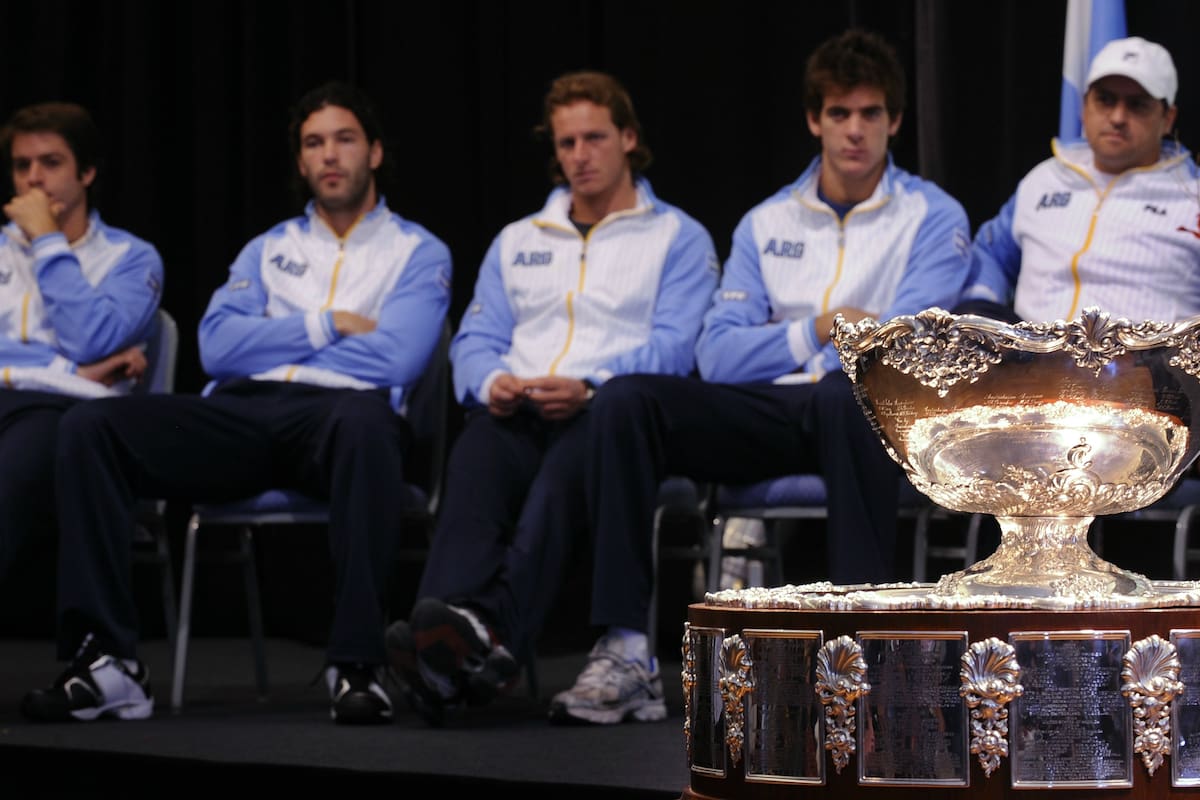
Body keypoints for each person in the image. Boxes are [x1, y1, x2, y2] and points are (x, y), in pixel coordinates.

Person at [556, 29, 973, 725]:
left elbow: (897, 350)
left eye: (870, 114)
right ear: (814, 120)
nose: (854, 131)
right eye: (838, 114)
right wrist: (816, 327)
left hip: (872, 417)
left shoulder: (934, 217)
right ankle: (626, 648)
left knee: (851, 393)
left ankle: (859, 652)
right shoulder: (765, 222)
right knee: (628, 400)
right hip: (772, 412)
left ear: (895, 121)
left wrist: (813, 340)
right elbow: (717, 356)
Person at [20, 81, 452, 725]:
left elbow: (397, 359)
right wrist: (328, 323)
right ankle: (106, 662)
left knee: (367, 421)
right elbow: (218, 347)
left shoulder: (419, 251)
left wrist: (276, 343)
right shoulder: (268, 248)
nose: (329, 155)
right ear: (301, 162)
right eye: (313, 143)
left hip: (341, 420)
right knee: (92, 424)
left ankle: (357, 664)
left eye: (344, 139)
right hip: (244, 415)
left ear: (376, 153)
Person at [385, 70, 719, 725]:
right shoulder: (519, 239)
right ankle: (447, 636)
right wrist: (491, 381)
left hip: (610, 419)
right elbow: (476, 338)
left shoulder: (677, 237)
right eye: (567, 143)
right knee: (477, 449)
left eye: (594, 138)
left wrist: (590, 384)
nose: (579, 156)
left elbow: (678, 348)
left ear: (629, 139)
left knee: (565, 468)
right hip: (521, 408)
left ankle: (490, 632)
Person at [0, 102, 163, 588]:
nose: (33, 179)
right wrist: (67, 370)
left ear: (87, 172)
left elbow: (91, 339)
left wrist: (48, 241)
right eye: (21, 165)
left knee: (29, 451)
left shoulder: (132, 259)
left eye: (51, 164)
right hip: (33, 396)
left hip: (68, 419)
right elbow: (83, 358)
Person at [959, 35, 1200, 323]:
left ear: (1167, 118)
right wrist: (982, 307)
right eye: (1105, 100)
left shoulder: (1192, 194)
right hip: (1031, 361)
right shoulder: (1044, 178)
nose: (1118, 117)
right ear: (1084, 107)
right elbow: (991, 254)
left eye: (1137, 104)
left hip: (1147, 365)